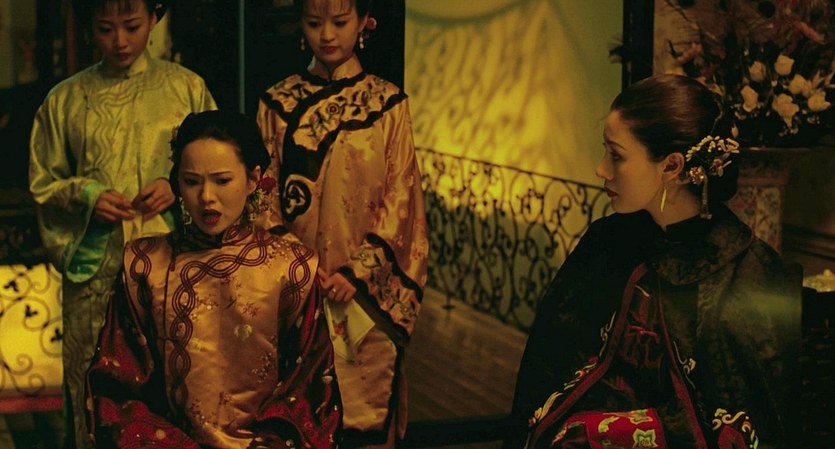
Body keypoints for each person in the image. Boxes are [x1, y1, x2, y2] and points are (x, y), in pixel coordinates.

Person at [503, 74, 801, 449]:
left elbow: (745, 415)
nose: (601, 169)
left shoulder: (748, 272)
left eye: (616, 155)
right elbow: (548, 369)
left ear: (672, 166)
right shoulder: (607, 242)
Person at [86, 110, 341, 449]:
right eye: (192, 181)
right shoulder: (144, 265)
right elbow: (116, 389)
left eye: (222, 181)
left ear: (253, 179)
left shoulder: (294, 269)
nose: (206, 196)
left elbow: (308, 392)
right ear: (177, 183)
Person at [27, 1, 216, 446]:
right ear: (89, 28)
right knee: (95, 390)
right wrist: (88, 195)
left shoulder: (186, 88)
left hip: (175, 270)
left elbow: (220, 165)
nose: (120, 41)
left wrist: (177, 185)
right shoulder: (65, 99)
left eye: (131, 26)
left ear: (154, 18)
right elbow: (43, 182)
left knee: (177, 385)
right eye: (106, 29)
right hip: (97, 274)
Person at [256, 0, 428, 447]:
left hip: (363, 293)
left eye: (339, 21)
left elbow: (403, 197)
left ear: (365, 22)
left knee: (362, 418)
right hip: (296, 284)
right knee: (296, 417)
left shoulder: (388, 104)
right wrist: (299, 267)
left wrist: (359, 272)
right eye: (315, 23)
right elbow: (262, 195)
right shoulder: (276, 103)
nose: (327, 35)